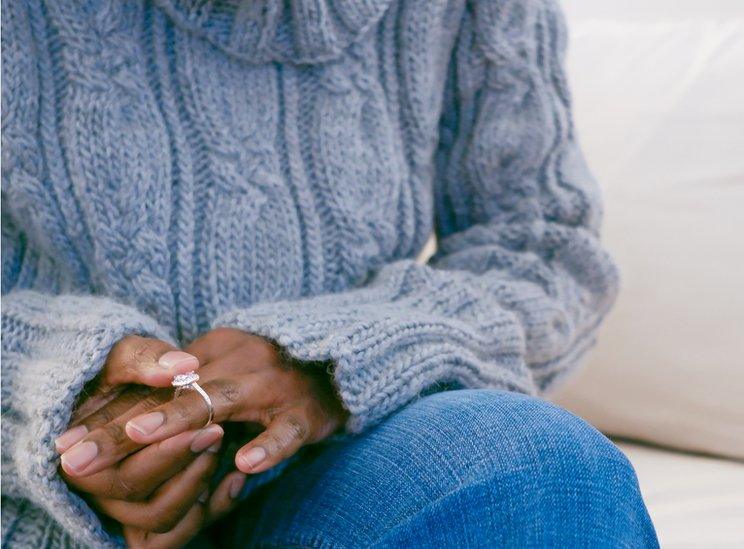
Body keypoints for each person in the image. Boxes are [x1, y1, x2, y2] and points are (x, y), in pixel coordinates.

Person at [1, 0, 658, 547]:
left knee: (538, 471)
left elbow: (543, 251)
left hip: (339, 470)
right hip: (25, 496)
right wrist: (61, 394)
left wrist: (324, 360)